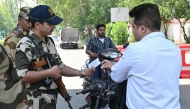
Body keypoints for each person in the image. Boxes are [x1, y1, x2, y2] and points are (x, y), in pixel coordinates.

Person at [101, 3, 182, 109]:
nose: (132, 30)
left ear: (142, 29)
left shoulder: (135, 50)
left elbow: (117, 77)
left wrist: (112, 67)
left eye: (133, 26)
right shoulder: (175, 49)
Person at [15, 5, 95, 109]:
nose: (54, 27)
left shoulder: (49, 41)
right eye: (50, 24)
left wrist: (81, 72)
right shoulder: (25, 44)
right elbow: (21, 76)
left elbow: (60, 67)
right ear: (38, 24)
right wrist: (48, 73)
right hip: (34, 101)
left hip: (51, 98)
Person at [0, 7, 32, 109]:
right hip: (18, 87)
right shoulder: (14, 39)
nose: (30, 23)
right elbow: (10, 68)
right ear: (19, 20)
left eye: (32, 20)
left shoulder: (26, 35)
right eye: (27, 20)